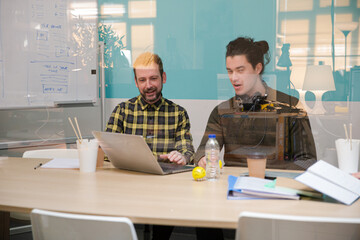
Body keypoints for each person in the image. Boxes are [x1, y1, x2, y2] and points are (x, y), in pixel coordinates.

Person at [105, 52, 195, 239]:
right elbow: (107, 151)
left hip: (166, 190)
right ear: (136, 82)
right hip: (128, 186)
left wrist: (182, 157)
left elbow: (187, 150)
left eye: (153, 78)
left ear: (163, 78)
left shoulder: (178, 113)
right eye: (142, 80)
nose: (148, 86)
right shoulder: (122, 111)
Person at [195, 37, 317, 171]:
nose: (233, 78)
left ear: (258, 68)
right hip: (232, 184)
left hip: (276, 184)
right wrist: (202, 159)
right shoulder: (222, 111)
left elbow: (308, 161)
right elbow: (203, 150)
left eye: (240, 70)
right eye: (230, 71)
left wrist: (275, 174)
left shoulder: (291, 106)